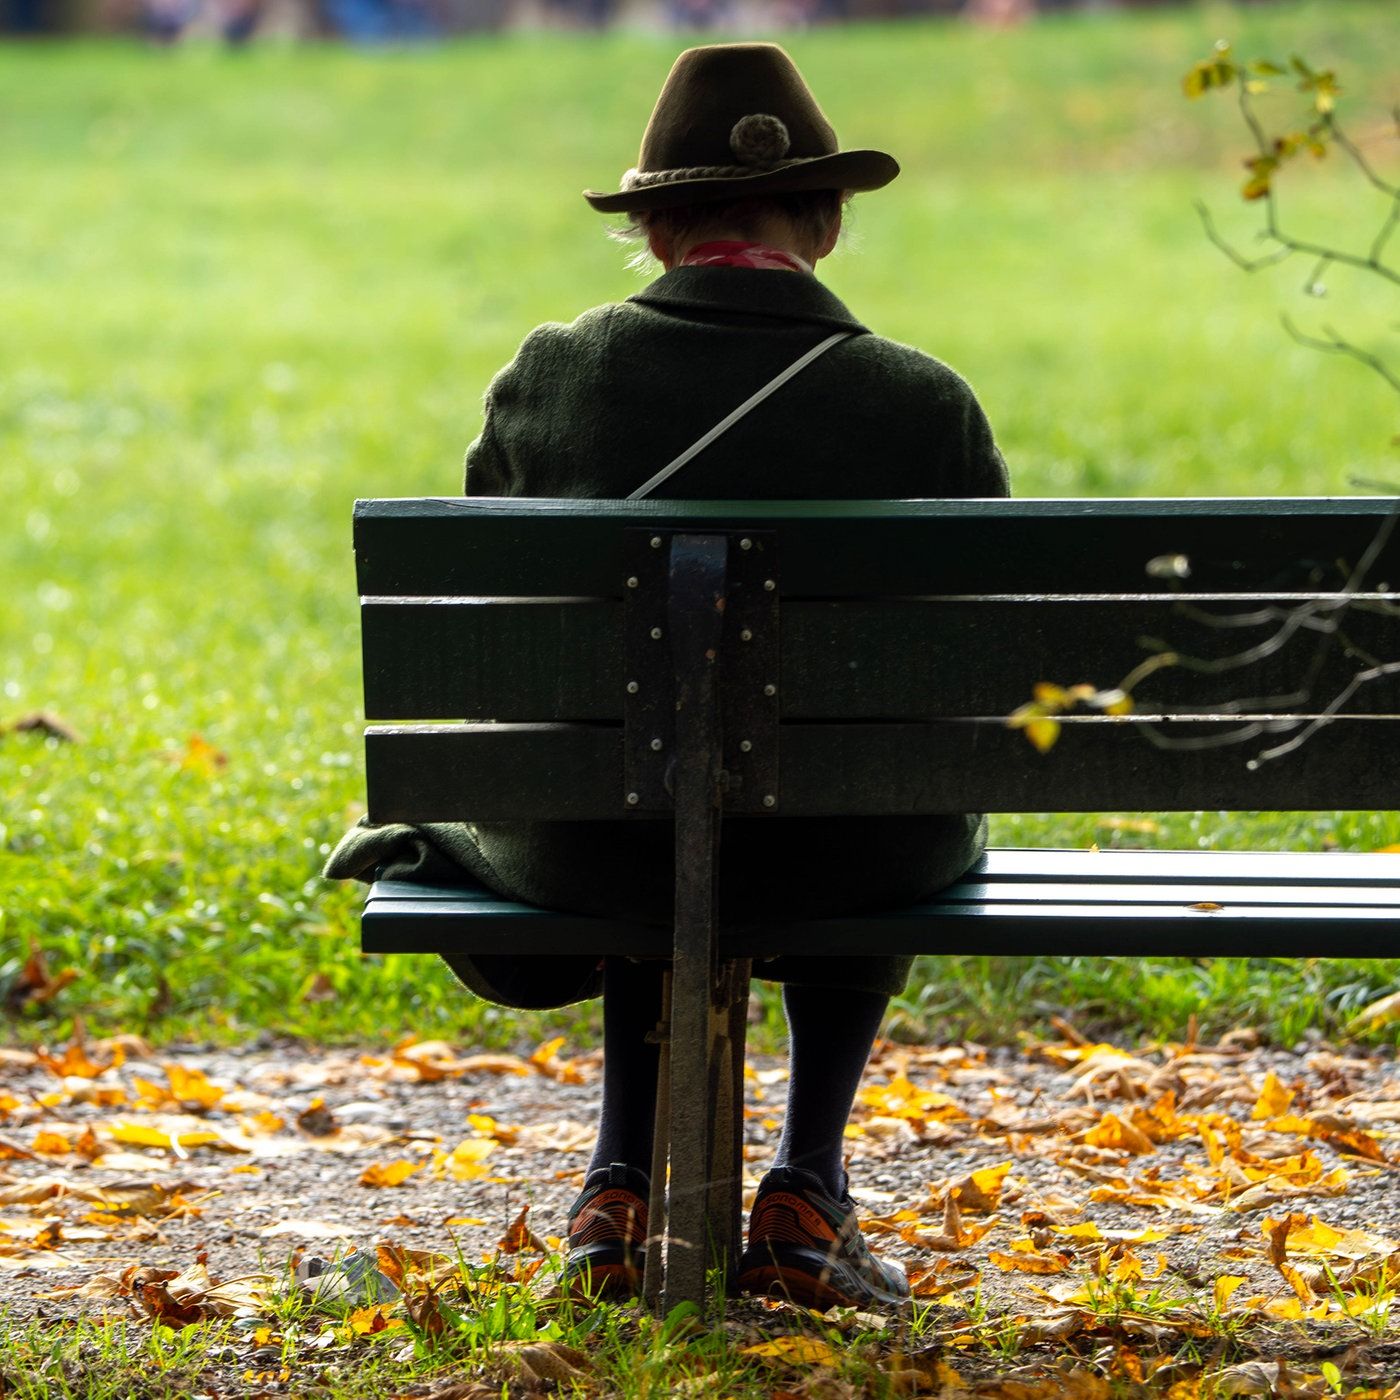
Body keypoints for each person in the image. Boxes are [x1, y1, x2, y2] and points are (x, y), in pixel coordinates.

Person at [326, 41, 1008, 1309]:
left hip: (598, 841)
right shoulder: (923, 403)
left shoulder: (549, 375)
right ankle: (805, 1186)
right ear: (827, 216)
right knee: (868, 780)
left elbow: (505, 627)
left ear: (650, 226)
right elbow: (974, 656)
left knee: (649, 757)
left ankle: (616, 1182)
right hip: (853, 850)